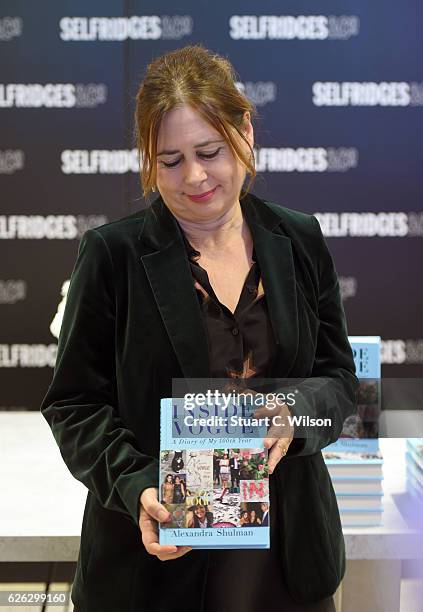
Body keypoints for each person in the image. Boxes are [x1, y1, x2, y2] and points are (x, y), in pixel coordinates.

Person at [40, 44, 358, 612]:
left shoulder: (299, 239)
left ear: (246, 132)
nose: (194, 177)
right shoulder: (111, 255)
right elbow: (75, 405)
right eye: (169, 160)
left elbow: (337, 381)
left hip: (287, 563)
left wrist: (295, 412)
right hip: (156, 566)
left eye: (209, 151)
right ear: (148, 159)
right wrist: (138, 487)